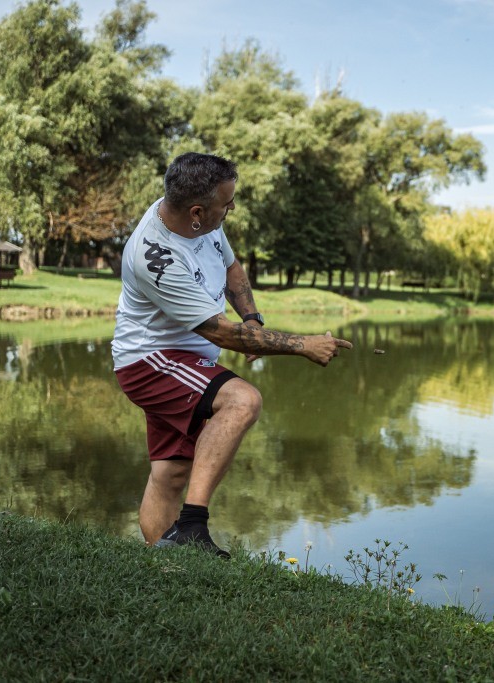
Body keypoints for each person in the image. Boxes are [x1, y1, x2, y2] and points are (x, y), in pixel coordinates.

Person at [112, 152, 352, 558]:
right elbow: (220, 333)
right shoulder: (155, 257)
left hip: (185, 359)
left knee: (170, 473)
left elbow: (232, 269)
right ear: (196, 212)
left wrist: (253, 320)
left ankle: (165, 564)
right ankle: (192, 526)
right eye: (226, 203)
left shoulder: (204, 222)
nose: (232, 208)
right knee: (243, 401)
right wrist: (304, 345)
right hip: (151, 361)